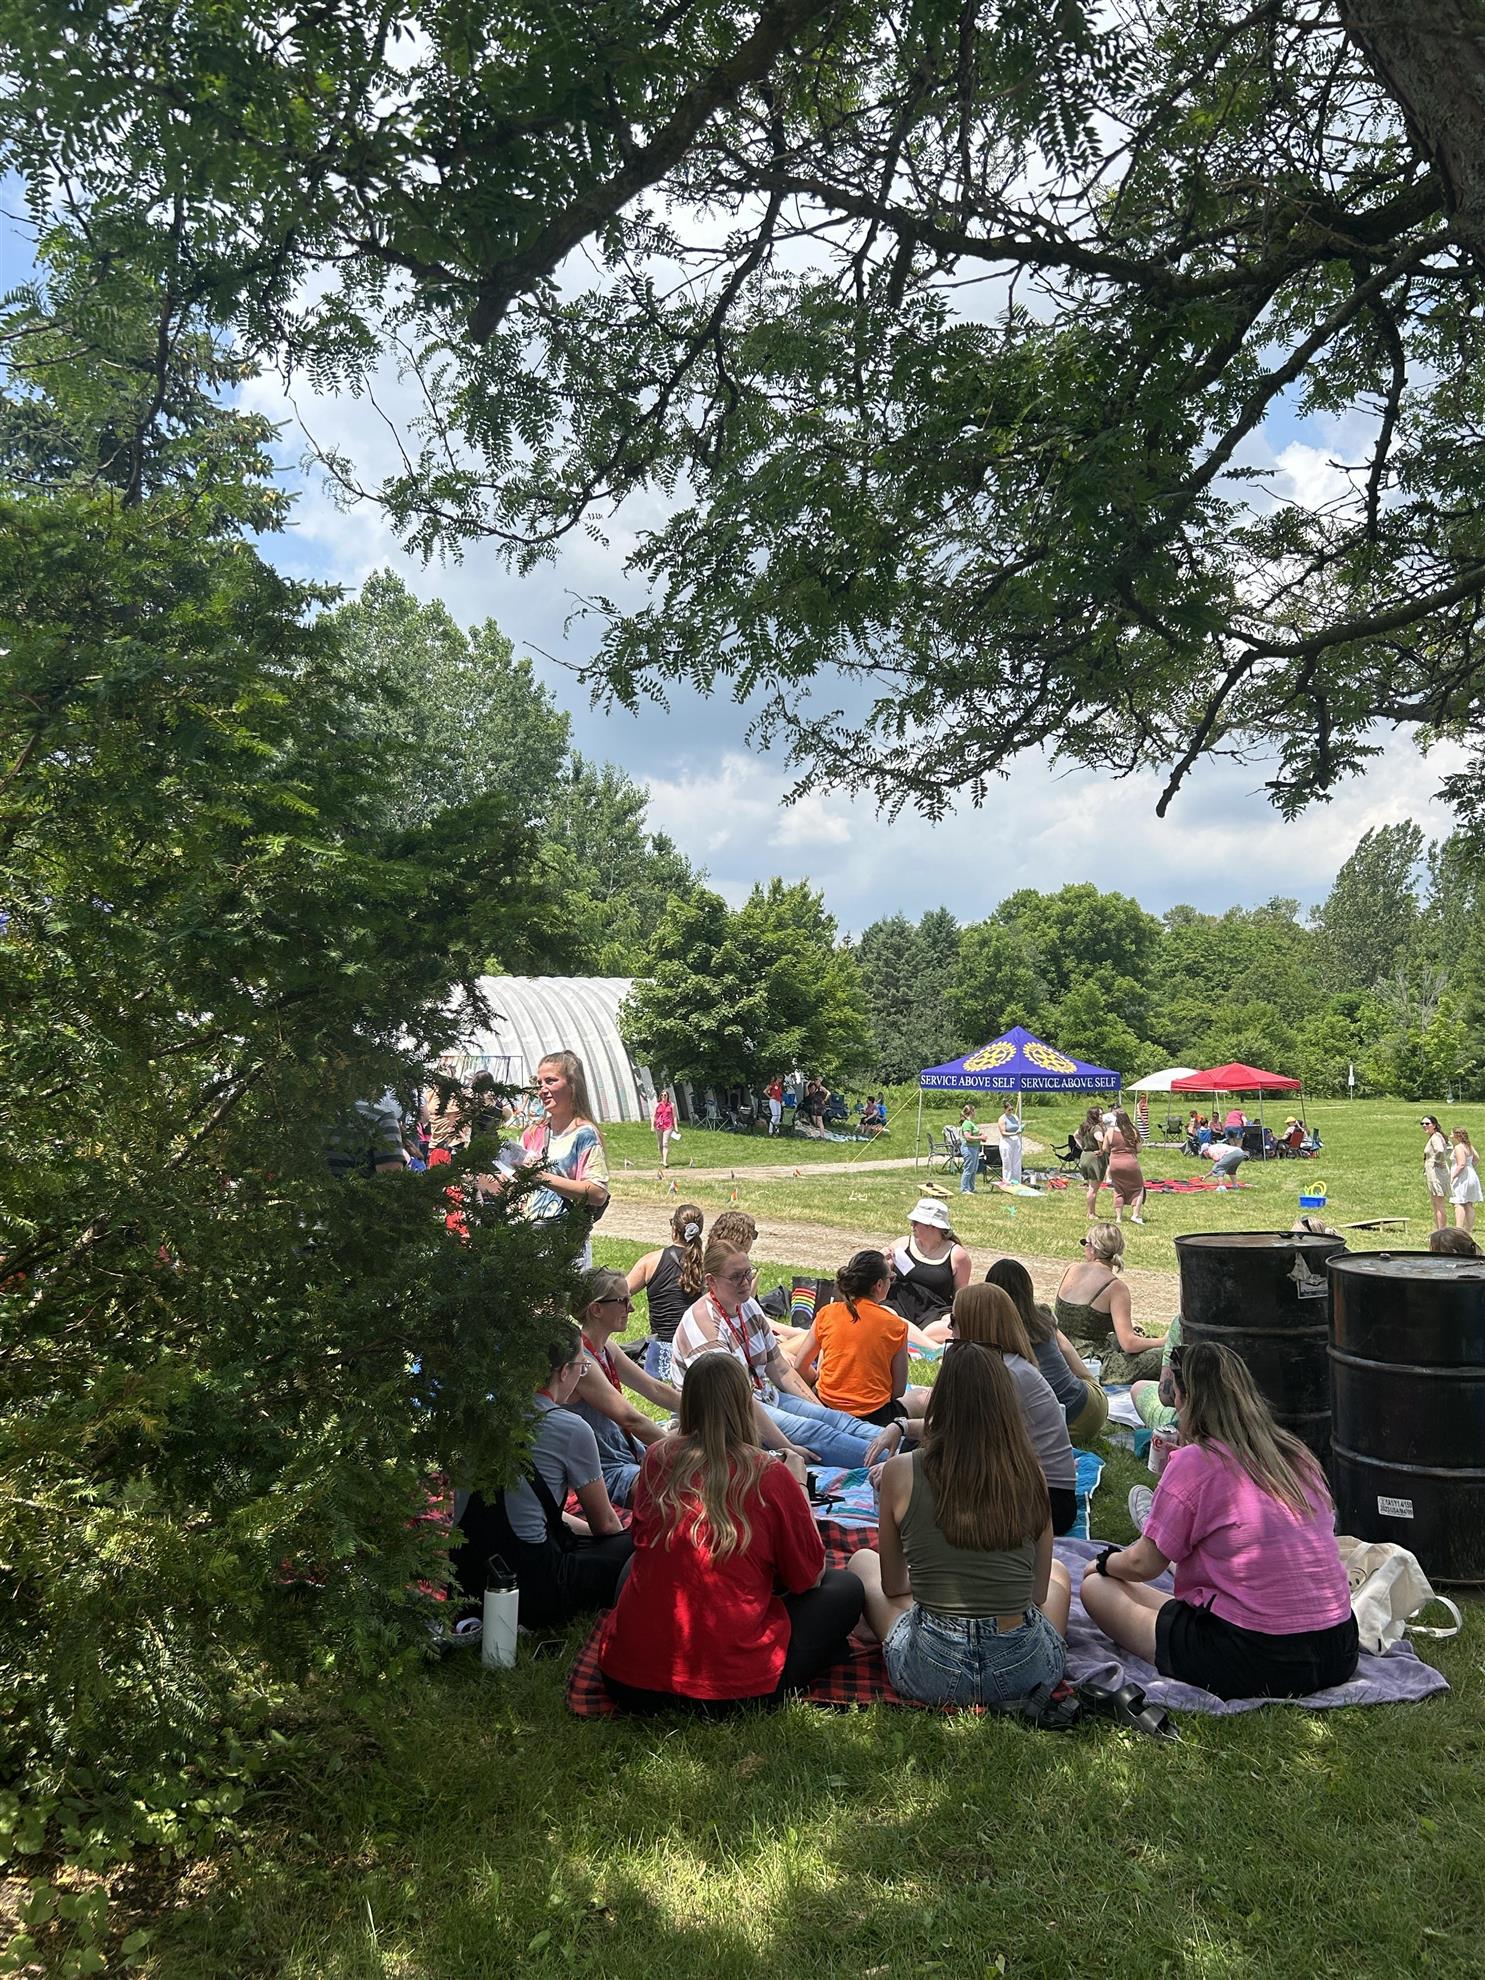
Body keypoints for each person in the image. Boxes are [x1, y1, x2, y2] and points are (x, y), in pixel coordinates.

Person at [1080, 1341, 1359, 1700]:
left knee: (1096, 1588)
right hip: (1338, 1646)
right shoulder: (1295, 1454)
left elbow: (1142, 1564)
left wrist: (1103, 1563)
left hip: (1252, 1654)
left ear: (1186, 1400)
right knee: (1159, 1595)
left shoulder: (1195, 1462)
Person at [598, 1353, 865, 1711]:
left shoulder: (657, 1457)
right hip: (732, 1687)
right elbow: (809, 1576)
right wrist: (799, 1486)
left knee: (636, 1565)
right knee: (845, 1588)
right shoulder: (769, 1474)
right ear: (744, 1405)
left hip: (627, 1681)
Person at [847, 1343, 1072, 1708]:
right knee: (1059, 1573)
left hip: (931, 1668)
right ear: (1006, 1405)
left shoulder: (900, 1471)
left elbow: (893, 1585)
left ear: (940, 1401)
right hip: (1023, 1671)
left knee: (861, 1561)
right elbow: (1037, 1593)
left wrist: (935, 1581)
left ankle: (900, 1626)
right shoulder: (1030, 1472)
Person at [449, 1329, 633, 1622]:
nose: (581, 1374)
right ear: (564, 1371)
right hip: (531, 1589)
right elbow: (606, 1525)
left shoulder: (479, 1417)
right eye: (582, 1366)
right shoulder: (571, 1428)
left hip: (465, 1578)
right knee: (634, 1545)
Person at [670, 1239, 879, 1466]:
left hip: (762, 1398)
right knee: (816, 1432)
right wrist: (788, 1448)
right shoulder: (705, 1327)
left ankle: (900, 1442)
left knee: (836, 1420)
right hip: (727, 1417)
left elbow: (779, 1367)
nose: (746, 1282)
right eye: (736, 1277)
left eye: (748, 1272)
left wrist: (818, 1408)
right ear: (711, 1281)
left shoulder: (746, 1305)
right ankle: (891, 1462)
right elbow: (738, 1402)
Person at [568, 1268, 683, 1506]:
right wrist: (683, 1455)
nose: (631, 1308)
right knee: (686, 1483)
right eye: (623, 1301)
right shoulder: (582, 1361)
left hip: (627, 1454)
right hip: (606, 1470)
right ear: (596, 1309)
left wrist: (703, 1407)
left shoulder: (606, 1347)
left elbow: (654, 1389)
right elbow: (632, 1420)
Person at [983, 1257, 1109, 1446]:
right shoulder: (1042, 1317)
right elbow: (1066, 1349)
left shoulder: (995, 1336)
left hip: (1062, 1423)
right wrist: (1088, 1379)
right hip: (1094, 1405)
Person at [791, 1249, 911, 1426]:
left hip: (826, 1406)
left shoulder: (827, 1313)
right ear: (879, 1285)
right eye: (891, 1278)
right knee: (920, 1399)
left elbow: (800, 1366)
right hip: (875, 1415)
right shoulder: (896, 1326)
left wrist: (818, 1380)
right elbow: (898, 1391)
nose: (891, 1282)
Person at [515, 1050, 610, 1267]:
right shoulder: (533, 1133)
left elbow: (597, 1193)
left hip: (566, 1248)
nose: (542, 1090)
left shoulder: (584, 1135)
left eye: (550, 1081)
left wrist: (540, 1177)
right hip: (528, 1243)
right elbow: (511, 1185)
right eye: (539, 1083)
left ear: (572, 1085)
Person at [1053, 1221, 1166, 1382]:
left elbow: (1081, 1320)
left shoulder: (1071, 1269)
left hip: (1061, 1354)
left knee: (1132, 1337)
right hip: (1093, 1364)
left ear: (1092, 1248)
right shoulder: (1115, 1287)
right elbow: (1129, 1344)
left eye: (1085, 1243)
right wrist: (1163, 1341)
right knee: (1164, 1355)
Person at [627, 1202, 707, 1382]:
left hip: (661, 1353)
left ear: (674, 1229)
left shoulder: (651, 1261)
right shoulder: (708, 1265)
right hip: (698, 1350)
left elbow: (619, 1292)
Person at [882, 1199, 973, 1343]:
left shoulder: (957, 1255)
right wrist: (882, 1262)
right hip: (896, 1307)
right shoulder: (902, 1244)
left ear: (932, 1226)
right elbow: (879, 1280)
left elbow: (960, 1297)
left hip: (934, 1314)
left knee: (949, 1329)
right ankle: (928, 1345)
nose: (912, 1225)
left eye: (916, 1221)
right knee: (885, 1315)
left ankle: (910, 1338)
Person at [1103, 1109, 1146, 1224]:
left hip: (1115, 1163)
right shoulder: (1133, 1131)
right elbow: (1139, 1149)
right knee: (1138, 1188)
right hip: (1131, 1163)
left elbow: (1105, 1148)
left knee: (1118, 1189)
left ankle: (1118, 1217)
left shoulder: (1110, 1132)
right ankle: (1135, 1215)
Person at [1077, 1106, 1108, 1215]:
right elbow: (1100, 1138)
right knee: (1093, 1189)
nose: (1102, 1116)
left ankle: (1090, 1212)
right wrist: (1102, 1150)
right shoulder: (1096, 1128)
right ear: (1094, 1116)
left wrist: (1083, 1147)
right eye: (1100, 1114)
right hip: (1094, 1158)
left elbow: (1076, 1135)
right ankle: (1091, 1213)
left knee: (1091, 1186)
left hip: (1085, 1156)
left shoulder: (1084, 1126)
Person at [1450, 1127, 1482, 1232]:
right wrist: (1471, 1167)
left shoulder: (1459, 1147)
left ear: (1457, 1136)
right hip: (1471, 1175)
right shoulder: (1469, 1145)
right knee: (1469, 1203)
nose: (1451, 1136)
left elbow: (1461, 1164)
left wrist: (1453, 1176)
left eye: (1452, 1134)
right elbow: (1476, 1158)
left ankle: (1459, 1228)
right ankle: (1468, 1229)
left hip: (1462, 1177)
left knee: (1459, 1202)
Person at [958, 1101, 984, 1194]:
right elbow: (968, 1137)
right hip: (968, 1148)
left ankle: (971, 1188)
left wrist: (979, 1135)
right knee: (969, 1168)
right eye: (974, 1111)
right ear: (971, 1112)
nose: (975, 1113)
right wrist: (980, 1138)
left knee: (974, 1169)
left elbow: (973, 1134)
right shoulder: (966, 1123)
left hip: (974, 1148)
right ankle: (964, 1189)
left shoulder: (971, 1123)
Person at [997, 1103, 1024, 1186]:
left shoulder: (1015, 1117)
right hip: (1006, 1141)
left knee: (1016, 1161)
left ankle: (1017, 1180)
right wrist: (1014, 1133)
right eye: (1009, 1109)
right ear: (1005, 1109)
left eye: (1012, 1109)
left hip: (1016, 1141)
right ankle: (1007, 1180)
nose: (1011, 1111)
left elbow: (1018, 1126)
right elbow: (1003, 1132)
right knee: (1007, 1162)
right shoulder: (1002, 1118)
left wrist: (1020, 1129)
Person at [652, 1088, 677, 1168]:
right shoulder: (657, 1105)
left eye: (665, 1095)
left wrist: (676, 1127)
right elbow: (653, 1116)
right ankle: (662, 1159)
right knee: (660, 1144)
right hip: (659, 1126)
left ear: (667, 1096)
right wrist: (652, 1126)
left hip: (668, 1126)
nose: (663, 1096)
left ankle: (665, 1161)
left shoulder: (671, 1105)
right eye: (662, 1095)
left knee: (665, 1143)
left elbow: (674, 1116)